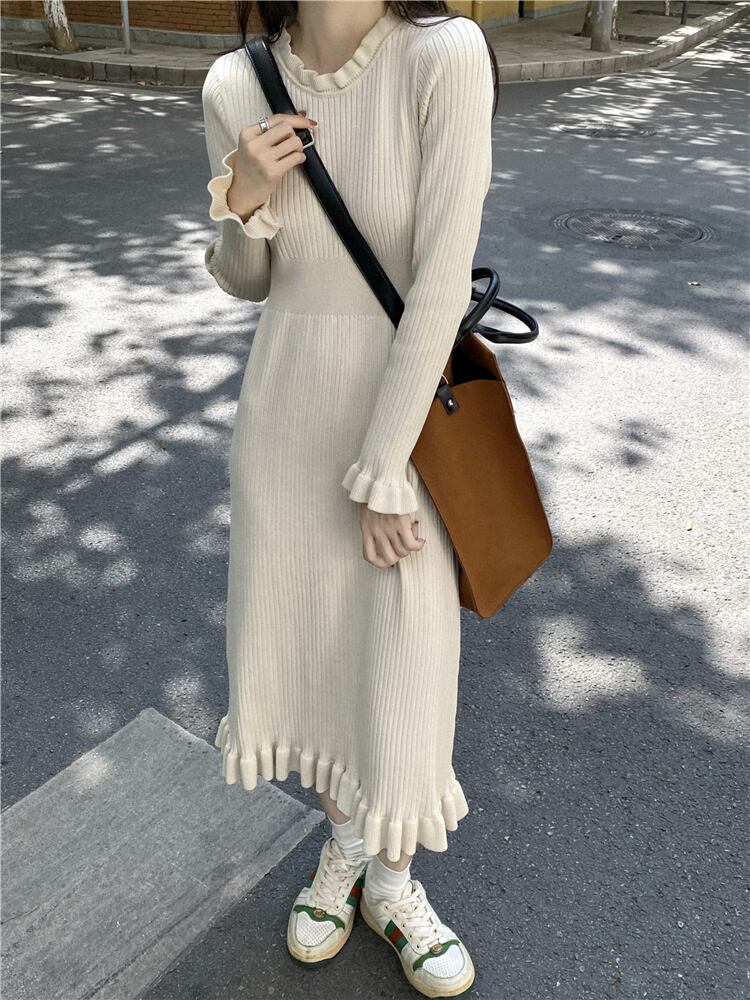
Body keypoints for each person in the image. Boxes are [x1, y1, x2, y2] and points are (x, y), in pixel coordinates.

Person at [201, 1, 496, 994]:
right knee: (322, 656)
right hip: (285, 428)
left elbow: (441, 281)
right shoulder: (236, 84)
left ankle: (395, 884)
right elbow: (248, 279)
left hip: (400, 432)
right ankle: (344, 854)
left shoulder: (443, 57)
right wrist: (244, 194)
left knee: (404, 662)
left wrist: (383, 467)